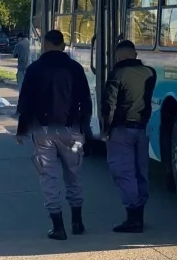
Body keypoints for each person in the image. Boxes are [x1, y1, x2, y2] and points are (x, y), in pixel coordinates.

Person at [15, 29, 92, 241]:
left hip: (42, 132)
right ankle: (77, 221)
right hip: (72, 132)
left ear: (46, 44)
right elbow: (85, 102)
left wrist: (22, 131)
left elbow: (26, 103)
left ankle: (58, 226)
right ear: (63, 45)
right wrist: (84, 129)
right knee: (74, 175)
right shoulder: (75, 68)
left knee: (48, 176)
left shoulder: (35, 69)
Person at [101, 40, 157, 233]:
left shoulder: (117, 73)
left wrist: (106, 130)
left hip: (121, 130)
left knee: (123, 171)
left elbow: (109, 105)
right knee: (140, 171)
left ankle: (133, 218)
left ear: (119, 57)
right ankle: (139, 215)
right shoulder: (150, 72)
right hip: (142, 128)